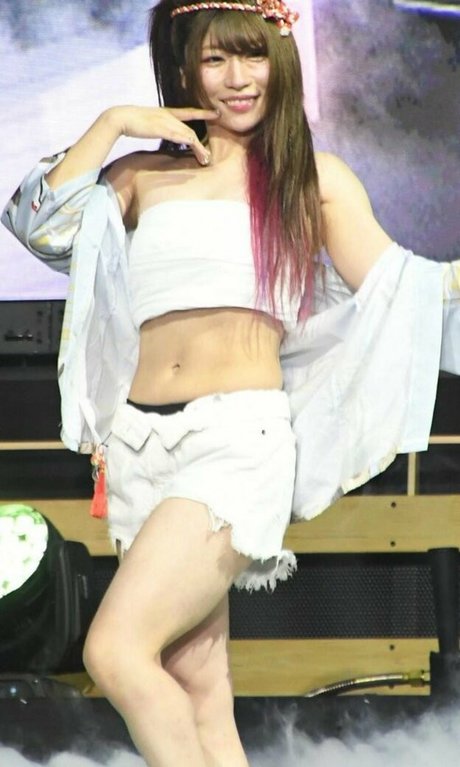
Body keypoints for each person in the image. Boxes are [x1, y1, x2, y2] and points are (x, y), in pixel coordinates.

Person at [2, 0, 459, 765]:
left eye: (252, 57)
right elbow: (34, 224)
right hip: (138, 448)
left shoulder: (310, 180)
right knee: (198, 683)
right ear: (186, 68)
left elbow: (411, 291)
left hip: (234, 442)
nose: (238, 78)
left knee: (116, 650)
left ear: (280, 61)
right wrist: (115, 122)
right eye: (216, 59)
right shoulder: (141, 176)